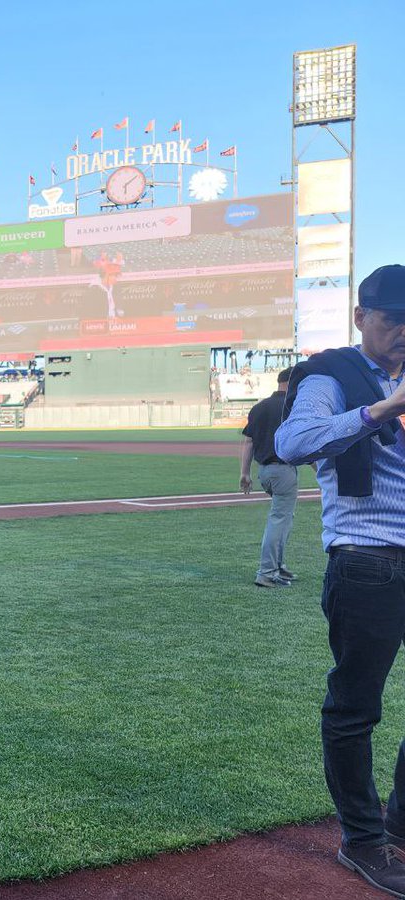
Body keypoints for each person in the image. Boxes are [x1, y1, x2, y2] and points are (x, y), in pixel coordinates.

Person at [276, 264, 405, 897]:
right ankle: (363, 841)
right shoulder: (331, 375)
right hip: (369, 563)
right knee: (356, 709)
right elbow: (294, 442)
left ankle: (399, 827)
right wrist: (383, 408)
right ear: (362, 318)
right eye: (392, 320)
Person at [240, 368, 298, 587]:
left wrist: (244, 473)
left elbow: (249, 442)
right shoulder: (292, 406)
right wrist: (318, 470)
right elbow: (301, 442)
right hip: (283, 469)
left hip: (264, 470)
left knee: (283, 518)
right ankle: (267, 572)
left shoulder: (259, 407)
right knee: (279, 520)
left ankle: (278, 566)